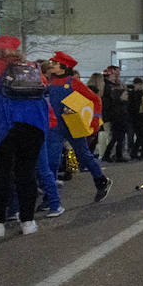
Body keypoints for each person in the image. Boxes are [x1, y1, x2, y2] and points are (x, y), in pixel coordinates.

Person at [0, 36, 53, 239]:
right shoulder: (32, 66)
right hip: (33, 124)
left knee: (0, 173)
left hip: (2, 125)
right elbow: (43, 90)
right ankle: (28, 222)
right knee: (27, 172)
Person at [45, 52, 111, 203]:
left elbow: (95, 99)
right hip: (55, 126)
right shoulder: (50, 81)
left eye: (54, 63)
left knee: (83, 155)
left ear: (64, 66)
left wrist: (95, 119)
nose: (51, 65)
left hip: (72, 124)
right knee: (52, 160)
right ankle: (50, 197)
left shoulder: (74, 83)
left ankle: (101, 181)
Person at [101, 66, 130, 162]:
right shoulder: (108, 87)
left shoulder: (115, 85)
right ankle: (109, 154)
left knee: (118, 136)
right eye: (114, 74)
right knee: (114, 136)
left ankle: (115, 154)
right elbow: (109, 102)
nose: (116, 76)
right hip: (115, 114)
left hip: (118, 113)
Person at [128, 77, 143, 159]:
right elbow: (132, 106)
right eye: (139, 85)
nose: (141, 86)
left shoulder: (142, 93)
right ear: (135, 85)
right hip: (137, 117)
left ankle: (140, 153)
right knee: (140, 136)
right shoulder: (133, 94)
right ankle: (136, 152)